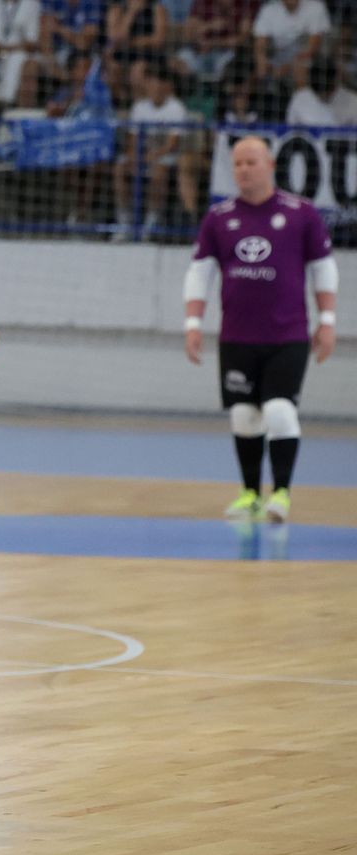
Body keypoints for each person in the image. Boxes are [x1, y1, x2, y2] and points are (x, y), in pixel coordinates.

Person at [184, 137, 337, 523]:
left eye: (251, 162)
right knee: (244, 417)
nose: (243, 170)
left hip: (288, 335)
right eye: (237, 164)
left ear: (270, 164)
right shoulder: (219, 217)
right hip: (237, 336)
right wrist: (193, 323)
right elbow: (199, 273)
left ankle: (281, 494)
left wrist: (328, 321)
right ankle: (250, 495)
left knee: (280, 409)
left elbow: (323, 268)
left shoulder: (300, 213)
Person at [115, 62, 196, 235]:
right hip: (144, 154)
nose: (154, 87)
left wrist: (151, 157)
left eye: (159, 83)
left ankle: (152, 221)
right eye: (151, 82)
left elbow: (171, 145)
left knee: (159, 171)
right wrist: (135, 156)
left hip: (167, 156)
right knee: (120, 168)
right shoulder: (139, 107)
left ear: (167, 86)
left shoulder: (176, 108)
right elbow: (133, 141)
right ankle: (124, 222)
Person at [0, 0, 47, 106]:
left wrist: (5, 49)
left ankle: (4, 101)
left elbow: (32, 44)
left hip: (21, 54)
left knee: (17, 60)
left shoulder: (31, 5)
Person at [252, 0, 331, 85]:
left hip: (309, 59)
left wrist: (289, 66)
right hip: (279, 59)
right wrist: (261, 60)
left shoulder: (316, 6)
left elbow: (314, 45)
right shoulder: (269, 9)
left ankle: (302, 96)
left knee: (301, 67)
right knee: (256, 70)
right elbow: (260, 42)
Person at [287, 55, 357, 123]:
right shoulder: (299, 99)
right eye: (318, 93)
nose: (322, 96)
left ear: (336, 82)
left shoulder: (353, 101)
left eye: (327, 92)